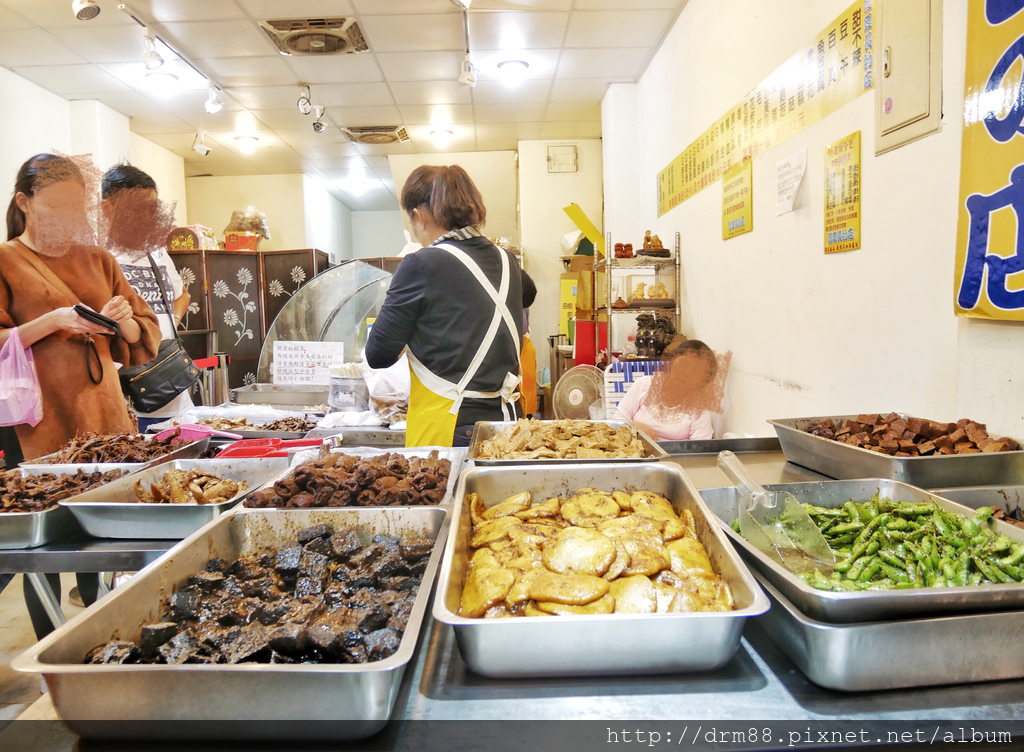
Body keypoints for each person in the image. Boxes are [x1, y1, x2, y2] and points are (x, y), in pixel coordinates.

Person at [2, 153, 161, 637]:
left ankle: (104, 639)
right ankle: (55, 651)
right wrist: (53, 322)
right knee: (43, 545)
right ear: (24, 203)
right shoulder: (6, 261)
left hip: (105, 417)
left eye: (78, 209)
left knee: (103, 537)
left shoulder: (99, 259)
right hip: (40, 424)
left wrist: (124, 321)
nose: (70, 220)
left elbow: (143, 334)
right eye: (58, 208)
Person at [365, 165, 532, 448]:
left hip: (451, 428)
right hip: (506, 425)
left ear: (420, 216)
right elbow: (527, 295)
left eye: (411, 223)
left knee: (447, 494)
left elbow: (378, 354)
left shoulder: (420, 264)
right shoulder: (508, 261)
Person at [101, 163, 193, 431]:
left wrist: (171, 322)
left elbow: (182, 295)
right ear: (107, 208)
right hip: (128, 392)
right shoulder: (99, 258)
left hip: (173, 384)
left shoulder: (157, 254)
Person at [614, 339, 721, 441]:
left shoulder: (699, 407)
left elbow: (700, 448)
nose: (685, 374)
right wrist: (635, 426)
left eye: (694, 371)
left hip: (674, 458)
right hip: (631, 452)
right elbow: (616, 420)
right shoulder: (644, 384)